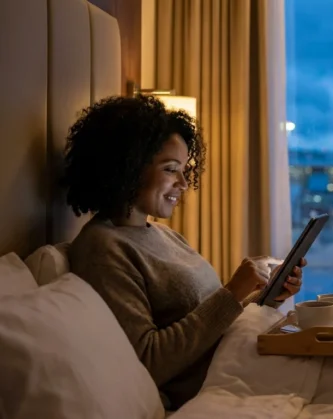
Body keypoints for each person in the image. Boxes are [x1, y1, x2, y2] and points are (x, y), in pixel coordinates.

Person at [62, 95, 304, 410]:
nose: (183, 183)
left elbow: (212, 324)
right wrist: (233, 291)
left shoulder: (163, 234)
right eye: (170, 169)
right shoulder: (103, 248)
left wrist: (268, 295)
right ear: (128, 166)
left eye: (183, 169)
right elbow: (149, 360)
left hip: (240, 366)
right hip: (222, 387)